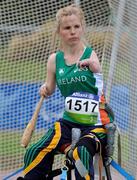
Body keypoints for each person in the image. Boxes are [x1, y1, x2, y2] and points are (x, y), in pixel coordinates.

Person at [21, 4, 116, 180]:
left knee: (81, 153)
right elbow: (49, 88)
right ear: (59, 31)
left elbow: (98, 72)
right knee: (34, 151)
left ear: (82, 28)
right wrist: (45, 88)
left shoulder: (91, 55)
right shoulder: (54, 60)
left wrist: (94, 67)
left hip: (96, 124)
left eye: (76, 26)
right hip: (68, 122)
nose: (72, 31)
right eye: (67, 28)